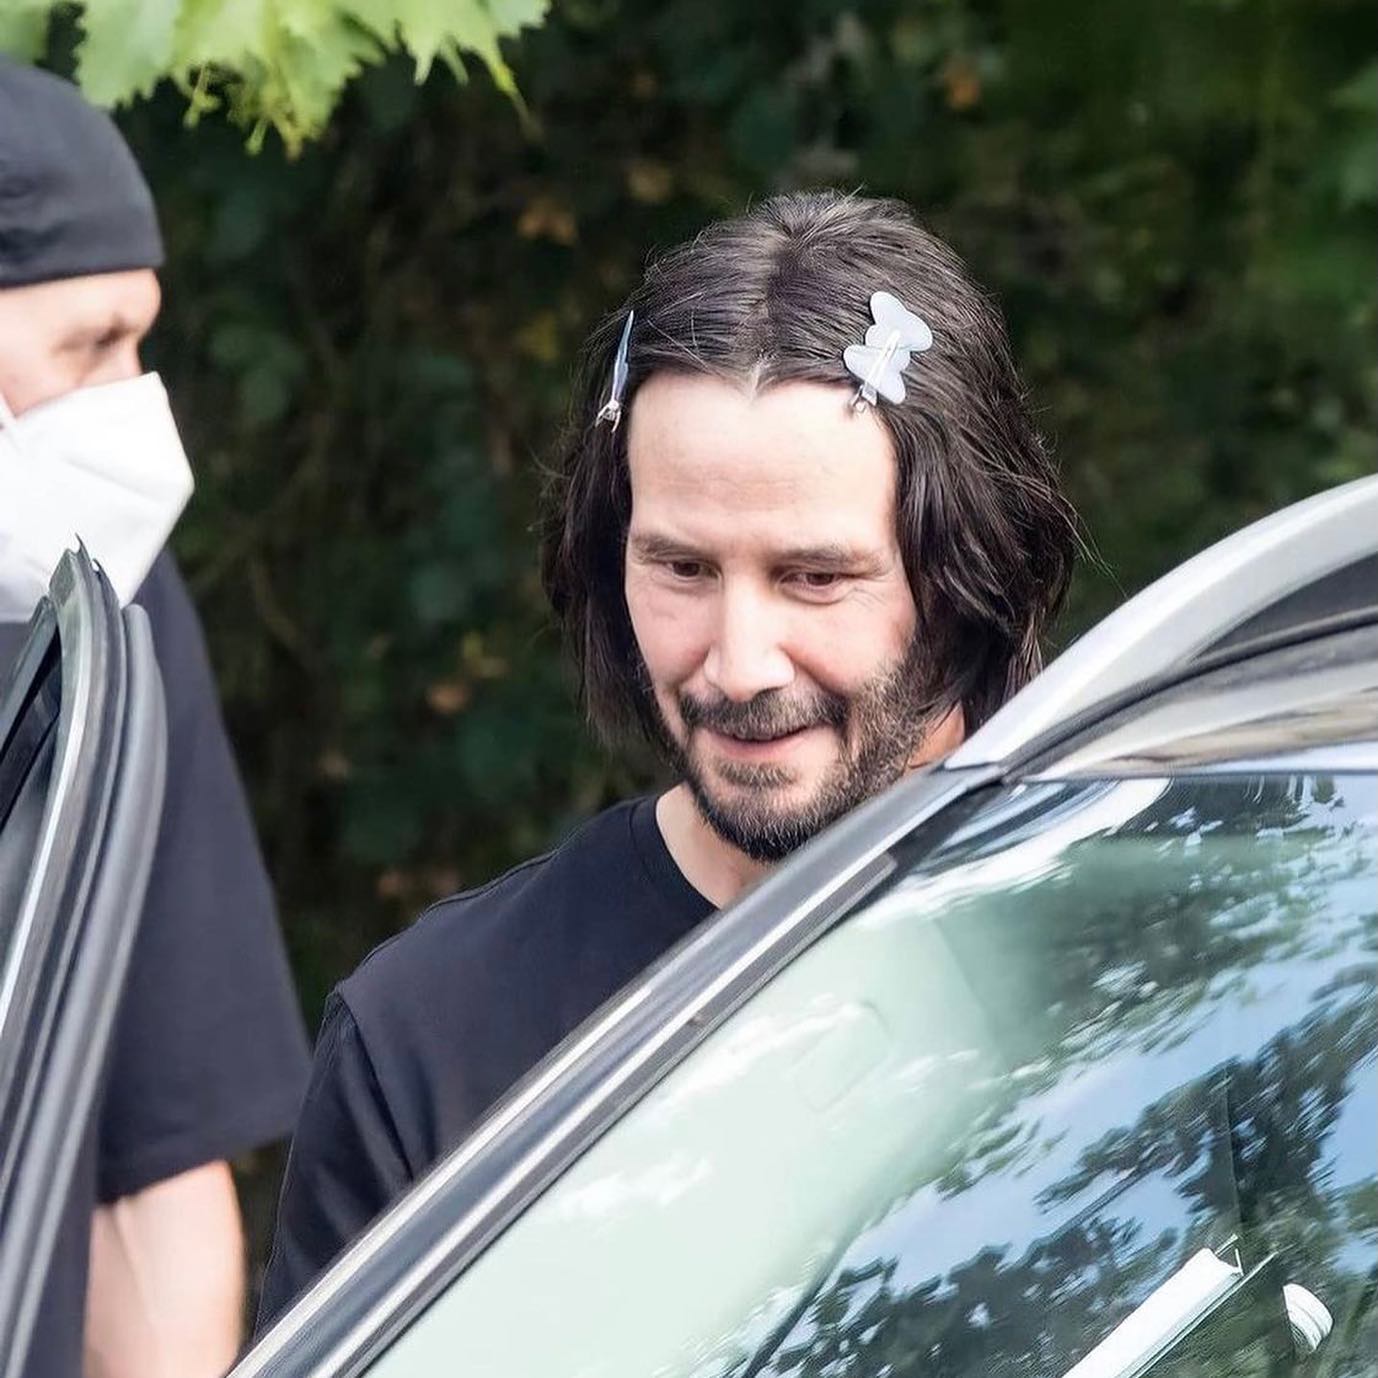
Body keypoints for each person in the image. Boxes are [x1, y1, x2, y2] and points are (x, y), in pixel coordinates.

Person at [258, 190, 1079, 1326]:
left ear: (968, 573)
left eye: (814, 577)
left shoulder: (1158, 952)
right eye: (683, 569)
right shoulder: (430, 1037)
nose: (737, 665)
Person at [0, 58, 311, 1378]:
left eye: (139, 342)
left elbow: (152, 1158)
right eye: (89, 350)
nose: (134, 405)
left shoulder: (97, 606)